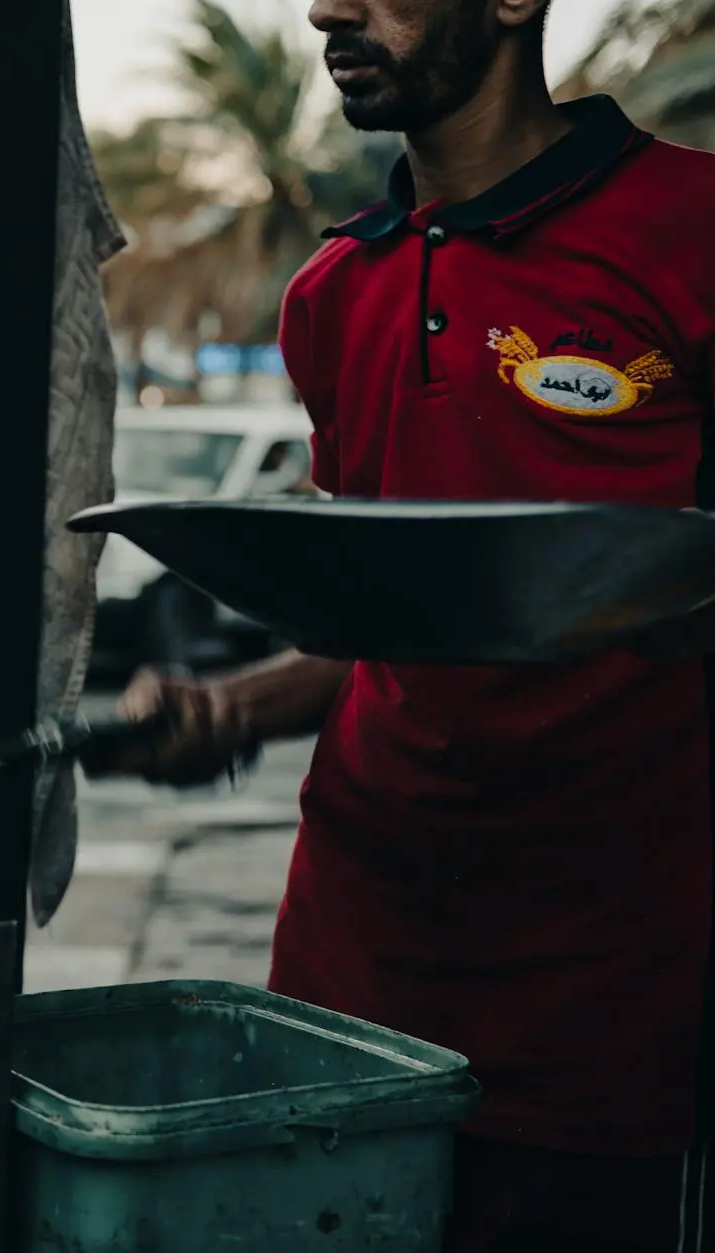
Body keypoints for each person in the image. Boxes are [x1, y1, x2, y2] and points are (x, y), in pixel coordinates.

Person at [110, 2, 715, 1248]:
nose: (325, 9)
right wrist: (230, 706)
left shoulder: (690, 225)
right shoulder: (334, 287)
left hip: (610, 952)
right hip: (359, 940)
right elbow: (377, 621)